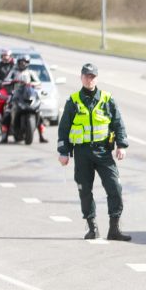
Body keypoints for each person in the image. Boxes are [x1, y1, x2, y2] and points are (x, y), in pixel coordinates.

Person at [57, 63, 131, 241]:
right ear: (81, 77)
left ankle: (114, 229)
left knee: (115, 188)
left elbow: (118, 123)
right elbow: (64, 128)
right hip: (82, 153)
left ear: (96, 78)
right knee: (85, 190)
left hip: (103, 151)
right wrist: (63, 151)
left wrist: (121, 145)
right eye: (86, 76)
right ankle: (92, 227)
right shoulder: (73, 101)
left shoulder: (107, 99)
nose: (89, 79)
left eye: (92, 76)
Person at [0, 54, 48, 144]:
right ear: (18, 63)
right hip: (16, 94)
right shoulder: (13, 72)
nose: (22, 64)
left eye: (24, 62)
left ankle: (42, 136)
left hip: (28, 95)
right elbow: (5, 81)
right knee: (7, 113)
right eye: (21, 62)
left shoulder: (31, 72)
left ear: (27, 63)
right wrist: (12, 81)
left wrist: (32, 84)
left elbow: (39, 83)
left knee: (39, 113)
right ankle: (4, 136)